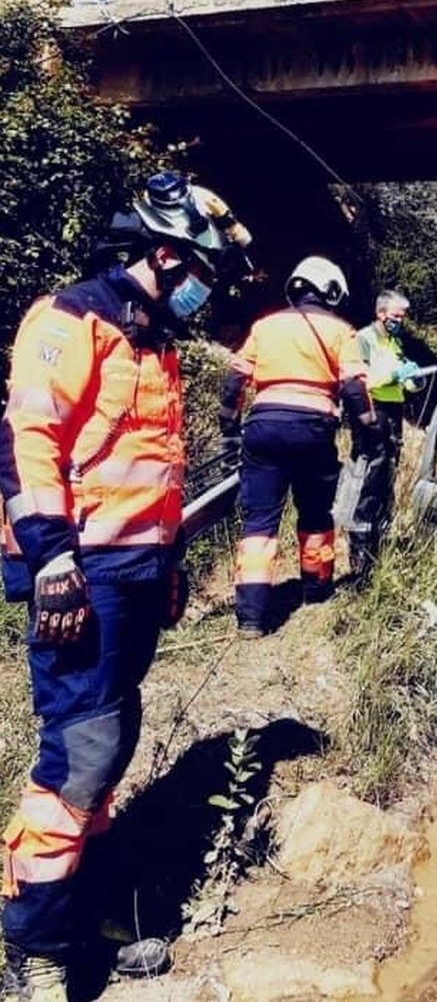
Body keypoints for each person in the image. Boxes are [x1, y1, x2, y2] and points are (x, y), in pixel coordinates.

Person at [0, 171, 252, 1001]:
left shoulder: (156, 342)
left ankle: (87, 910)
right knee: (80, 753)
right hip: (81, 574)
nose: (206, 299)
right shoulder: (71, 320)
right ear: (165, 256)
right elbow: (27, 441)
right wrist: (53, 561)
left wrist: (169, 564)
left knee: (116, 738)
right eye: (204, 280)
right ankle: (34, 947)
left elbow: (151, 472)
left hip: (137, 572)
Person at [219, 256, 369, 637]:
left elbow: (235, 378)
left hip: (263, 427)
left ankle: (250, 616)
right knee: (316, 512)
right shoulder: (342, 332)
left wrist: (230, 428)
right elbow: (353, 388)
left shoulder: (265, 326)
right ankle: (316, 590)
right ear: (332, 291)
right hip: (313, 430)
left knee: (259, 521)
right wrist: (367, 429)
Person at [344, 289, 425, 583]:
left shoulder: (394, 341)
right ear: (380, 313)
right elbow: (359, 379)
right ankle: (360, 552)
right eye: (395, 317)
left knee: (389, 473)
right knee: (371, 477)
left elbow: (403, 379)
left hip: (393, 411)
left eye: (402, 318)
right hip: (371, 411)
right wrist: (392, 376)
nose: (399, 322)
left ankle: (380, 543)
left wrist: (414, 380)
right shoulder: (364, 339)